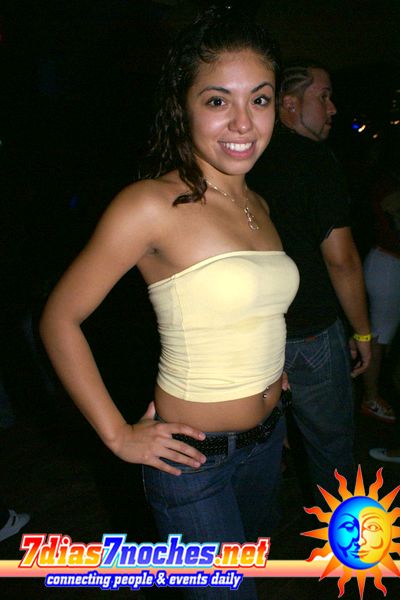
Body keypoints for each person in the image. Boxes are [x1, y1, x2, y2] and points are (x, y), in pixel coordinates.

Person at [39, 7, 299, 599]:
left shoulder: (258, 204)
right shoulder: (151, 204)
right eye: (217, 100)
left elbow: (251, 308)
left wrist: (270, 373)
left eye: (259, 99)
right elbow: (59, 318)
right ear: (183, 106)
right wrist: (116, 434)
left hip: (266, 442)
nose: (243, 121)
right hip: (191, 460)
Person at [248, 62, 371, 501]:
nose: (333, 108)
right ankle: (345, 538)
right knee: (331, 448)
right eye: (323, 96)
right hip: (309, 332)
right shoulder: (314, 161)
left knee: (262, 446)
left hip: (254, 334)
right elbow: (343, 260)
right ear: (289, 104)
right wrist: (363, 331)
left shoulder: (247, 159)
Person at [361, 132, 400, 424]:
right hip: (387, 264)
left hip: (387, 262)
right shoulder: (388, 186)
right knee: (379, 336)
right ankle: (370, 397)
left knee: (383, 336)